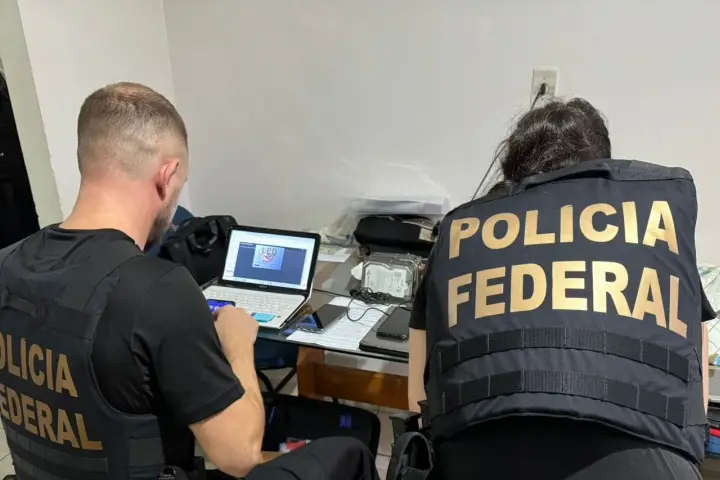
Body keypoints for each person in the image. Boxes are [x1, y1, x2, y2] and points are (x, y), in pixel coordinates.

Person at [0, 82, 377, 480]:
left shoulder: (7, 262)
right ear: (166, 176)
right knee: (346, 454)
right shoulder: (157, 289)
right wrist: (238, 345)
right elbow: (239, 456)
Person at [408, 98, 715, 480]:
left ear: (513, 172)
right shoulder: (654, 225)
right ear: (600, 164)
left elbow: (418, 404)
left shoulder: (459, 233)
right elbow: (695, 407)